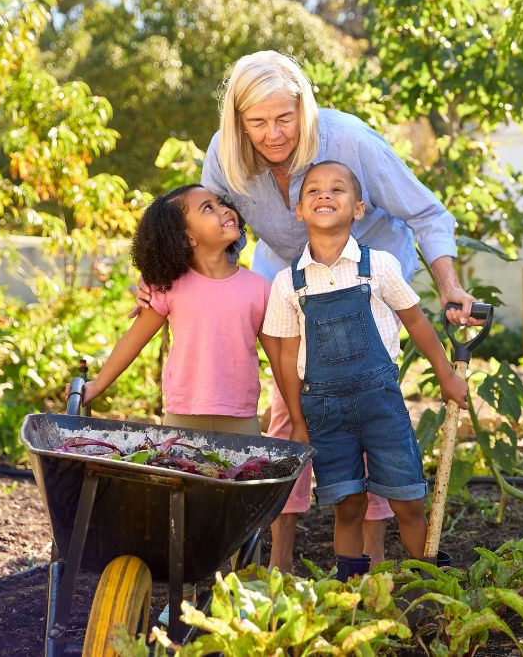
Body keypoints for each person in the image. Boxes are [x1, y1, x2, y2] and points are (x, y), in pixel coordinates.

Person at [136, 50, 478, 571]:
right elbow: (202, 231)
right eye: (257, 122)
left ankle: (375, 558)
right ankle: (280, 559)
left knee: (371, 404)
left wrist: (450, 284)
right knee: (288, 413)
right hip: (289, 277)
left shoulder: (350, 142)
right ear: (238, 122)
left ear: (304, 106)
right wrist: (164, 277)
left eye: (284, 118)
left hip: (365, 275)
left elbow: (426, 213)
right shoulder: (226, 156)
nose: (273, 134)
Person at [261, 160, 468, 580]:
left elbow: (416, 322)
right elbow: (284, 358)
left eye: (337, 190)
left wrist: (446, 374)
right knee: (347, 503)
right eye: (313, 191)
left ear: (357, 208)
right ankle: (352, 592)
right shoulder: (289, 283)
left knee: (408, 500)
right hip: (323, 410)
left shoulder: (379, 267)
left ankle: (433, 586)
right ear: (299, 211)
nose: (324, 196)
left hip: (380, 403)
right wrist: (297, 422)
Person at [79, 185, 271, 433]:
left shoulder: (258, 288)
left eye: (220, 203)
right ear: (187, 237)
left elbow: (279, 359)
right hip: (183, 416)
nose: (225, 210)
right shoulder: (168, 288)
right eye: (208, 208)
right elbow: (133, 340)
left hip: (241, 418)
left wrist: (297, 417)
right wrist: (97, 386)